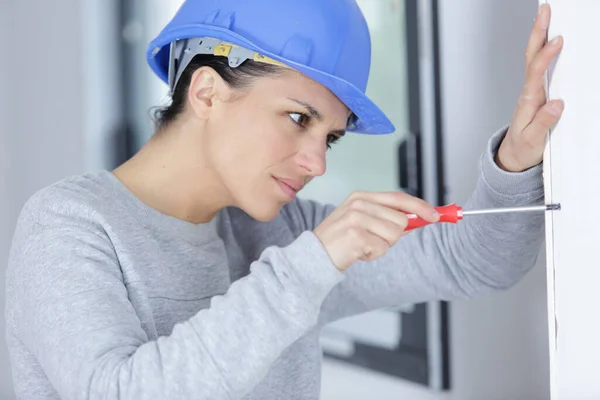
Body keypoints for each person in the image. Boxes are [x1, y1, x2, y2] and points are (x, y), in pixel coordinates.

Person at [5, 0, 563, 399]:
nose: (318, 164)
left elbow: (474, 263)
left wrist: (517, 157)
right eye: (298, 118)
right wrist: (308, 267)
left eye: (330, 137)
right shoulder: (69, 225)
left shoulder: (278, 231)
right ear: (205, 92)